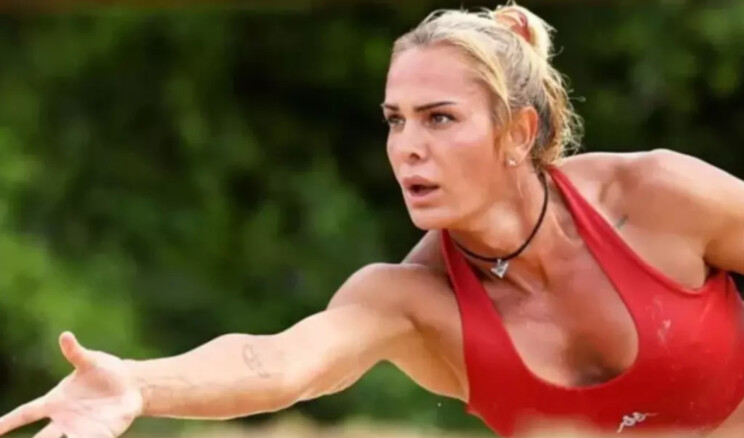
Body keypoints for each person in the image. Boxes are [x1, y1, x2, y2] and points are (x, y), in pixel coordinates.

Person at [2, 3, 744, 438]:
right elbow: (279, 364)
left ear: (518, 132)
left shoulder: (654, 196)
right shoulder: (410, 302)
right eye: (395, 120)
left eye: (439, 118)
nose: (406, 147)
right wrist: (137, 383)